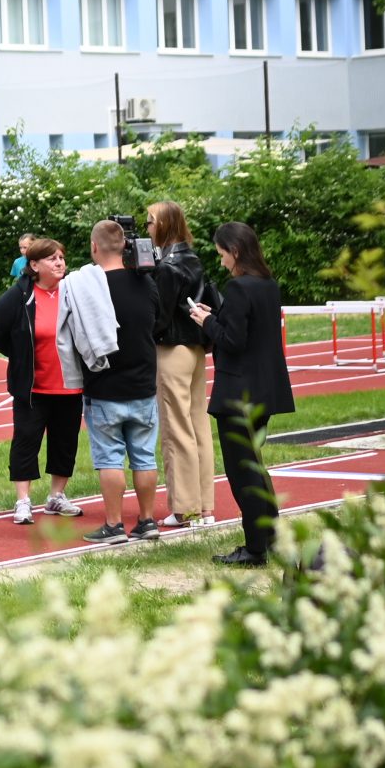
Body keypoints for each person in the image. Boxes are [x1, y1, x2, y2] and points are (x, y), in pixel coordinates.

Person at [189, 221, 296, 568]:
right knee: (255, 466)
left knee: (242, 473)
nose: (220, 262)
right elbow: (247, 329)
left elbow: (233, 340)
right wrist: (216, 316)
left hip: (239, 391)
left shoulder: (238, 288)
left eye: (222, 255)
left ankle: (254, 548)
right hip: (266, 388)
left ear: (234, 252)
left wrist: (205, 322)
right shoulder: (268, 284)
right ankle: (272, 536)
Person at [0, 238, 83, 524]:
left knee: (65, 442)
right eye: (52, 258)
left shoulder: (71, 292)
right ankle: (23, 500)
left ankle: (56, 497)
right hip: (33, 388)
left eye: (62, 257)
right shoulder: (20, 295)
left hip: (69, 384)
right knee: (26, 441)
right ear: (34, 265)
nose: (59, 263)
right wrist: (21, 355)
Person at [75, 218, 162, 543]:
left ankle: (114, 524)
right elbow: (157, 321)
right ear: (126, 246)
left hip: (104, 384)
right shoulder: (146, 283)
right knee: (144, 455)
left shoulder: (87, 288)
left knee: (109, 457)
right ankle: (147, 520)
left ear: (94, 247)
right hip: (142, 382)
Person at [147, 202, 216, 529]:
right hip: (196, 348)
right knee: (198, 426)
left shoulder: (167, 267)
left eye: (150, 222)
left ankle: (184, 507)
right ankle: (205, 506)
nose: (146, 228)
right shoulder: (193, 258)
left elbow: (159, 317)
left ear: (162, 225)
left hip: (172, 349)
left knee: (176, 431)